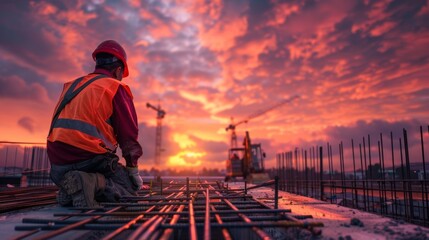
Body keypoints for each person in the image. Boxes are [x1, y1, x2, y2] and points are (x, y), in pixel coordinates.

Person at [47, 40, 143, 207]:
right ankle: (90, 182)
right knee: (128, 192)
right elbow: (128, 136)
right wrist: (133, 170)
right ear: (119, 69)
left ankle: (70, 190)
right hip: (89, 159)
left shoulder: (73, 85)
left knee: (80, 181)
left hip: (57, 165)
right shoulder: (114, 87)